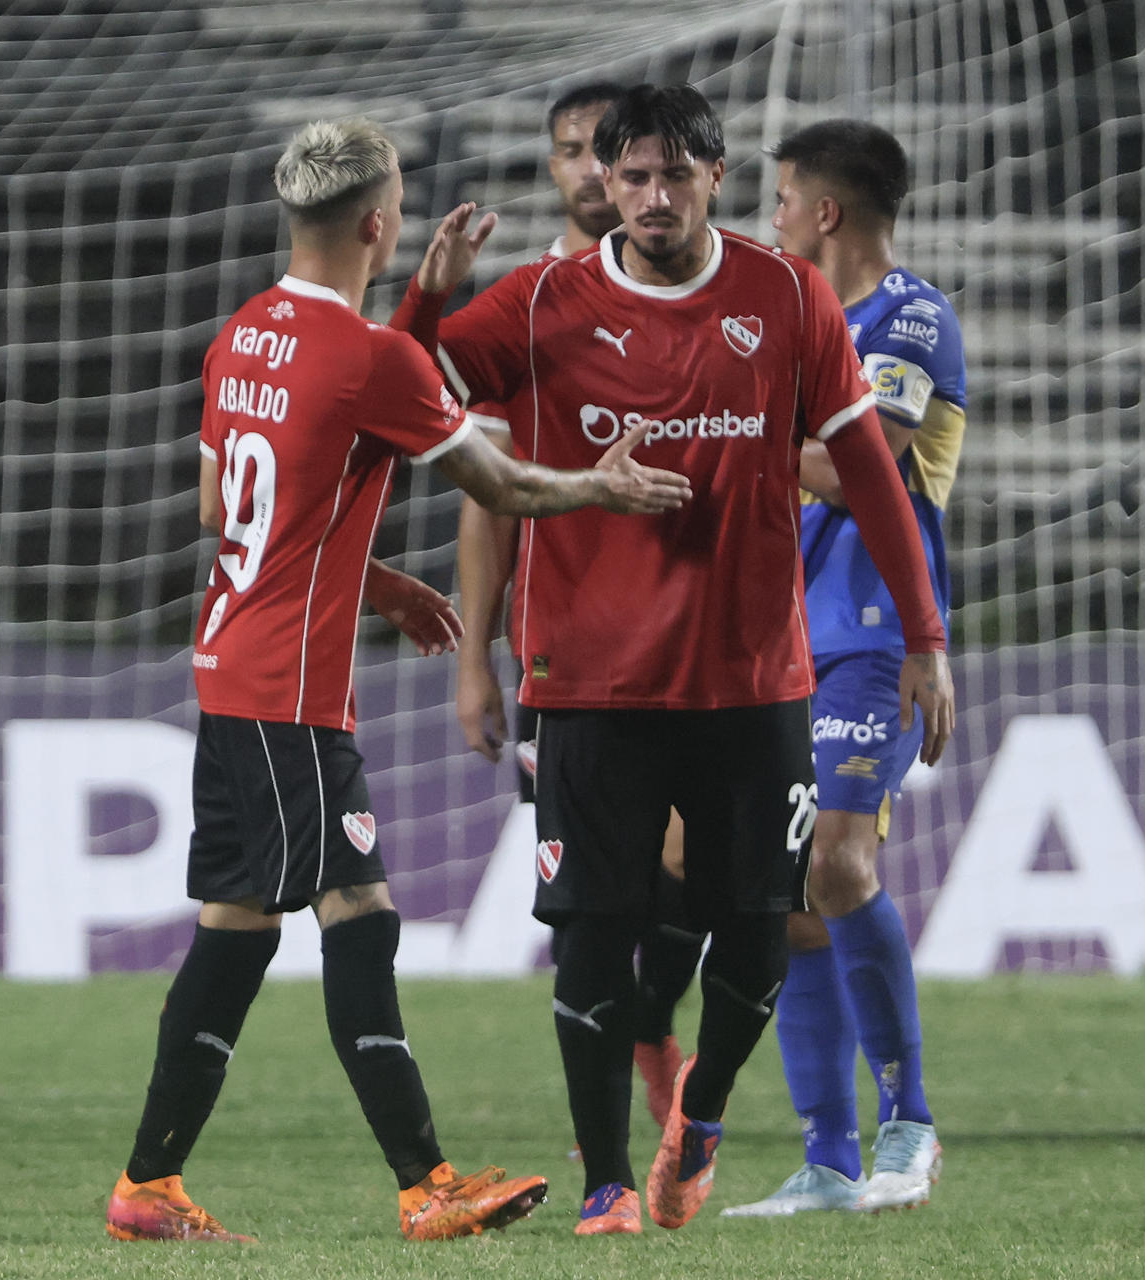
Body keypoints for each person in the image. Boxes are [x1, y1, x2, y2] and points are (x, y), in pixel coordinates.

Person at [105, 117, 691, 1246]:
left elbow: (228, 513)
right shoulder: (371, 358)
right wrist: (603, 486)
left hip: (230, 667)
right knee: (358, 913)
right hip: (289, 691)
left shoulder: (244, 336)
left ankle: (148, 1184)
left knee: (234, 932)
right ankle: (427, 1181)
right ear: (381, 222)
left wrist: (370, 579)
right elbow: (505, 481)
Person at [393, 85, 954, 1236]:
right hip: (589, 680)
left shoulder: (786, 293)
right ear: (605, 182)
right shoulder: (542, 301)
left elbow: (873, 477)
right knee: (593, 936)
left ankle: (700, 1109)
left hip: (752, 680)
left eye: (674, 175)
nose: (652, 197)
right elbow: (403, 395)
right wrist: (424, 297)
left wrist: (927, 637)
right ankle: (606, 1184)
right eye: (630, 176)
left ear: (715, 174)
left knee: (761, 931)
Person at [723, 120, 966, 1219]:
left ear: (826, 211)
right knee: (792, 897)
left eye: (780, 200)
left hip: (874, 631)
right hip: (783, 638)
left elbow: (854, 465)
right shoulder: (791, 326)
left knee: (842, 863)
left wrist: (729, 433)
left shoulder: (910, 317)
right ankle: (827, 1157)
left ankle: (909, 1124)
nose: (769, 219)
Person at [451, 80, 702, 1136]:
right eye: (572, 153)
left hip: (698, 638)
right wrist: (474, 658)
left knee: (693, 864)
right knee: (595, 893)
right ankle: (618, 1080)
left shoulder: (710, 289)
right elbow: (487, 486)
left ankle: (650, 1020)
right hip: (571, 649)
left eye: (615, 155)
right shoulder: (529, 308)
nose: (594, 173)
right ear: (564, 170)